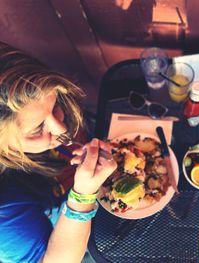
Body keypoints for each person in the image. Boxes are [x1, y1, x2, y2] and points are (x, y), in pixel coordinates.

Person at [0, 42, 117, 262]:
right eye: (37, 129)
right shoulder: (3, 216)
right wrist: (83, 195)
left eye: (55, 107)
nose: (62, 130)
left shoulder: (44, 123)